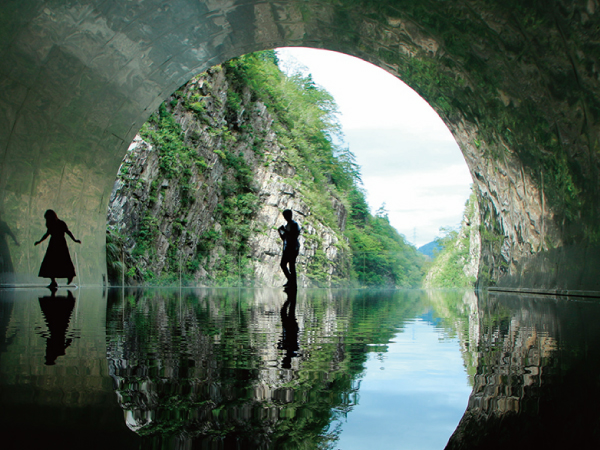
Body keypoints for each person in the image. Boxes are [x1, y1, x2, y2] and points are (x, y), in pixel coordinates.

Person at [34, 210, 81, 289]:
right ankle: (54, 281)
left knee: (63, 261)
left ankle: (69, 275)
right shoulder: (52, 224)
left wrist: (74, 240)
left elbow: (68, 232)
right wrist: (40, 241)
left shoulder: (61, 223)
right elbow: (47, 234)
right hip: (54, 244)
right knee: (51, 263)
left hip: (60, 245)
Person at [278, 209, 300, 287]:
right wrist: (280, 232)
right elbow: (285, 238)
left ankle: (292, 282)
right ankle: (290, 280)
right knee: (283, 264)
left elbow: (294, 236)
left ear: (290, 215)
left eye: (286, 216)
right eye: (285, 216)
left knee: (291, 266)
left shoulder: (294, 224)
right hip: (287, 248)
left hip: (293, 248)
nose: (285, 217)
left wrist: (284, 230)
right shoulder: (287, 225)